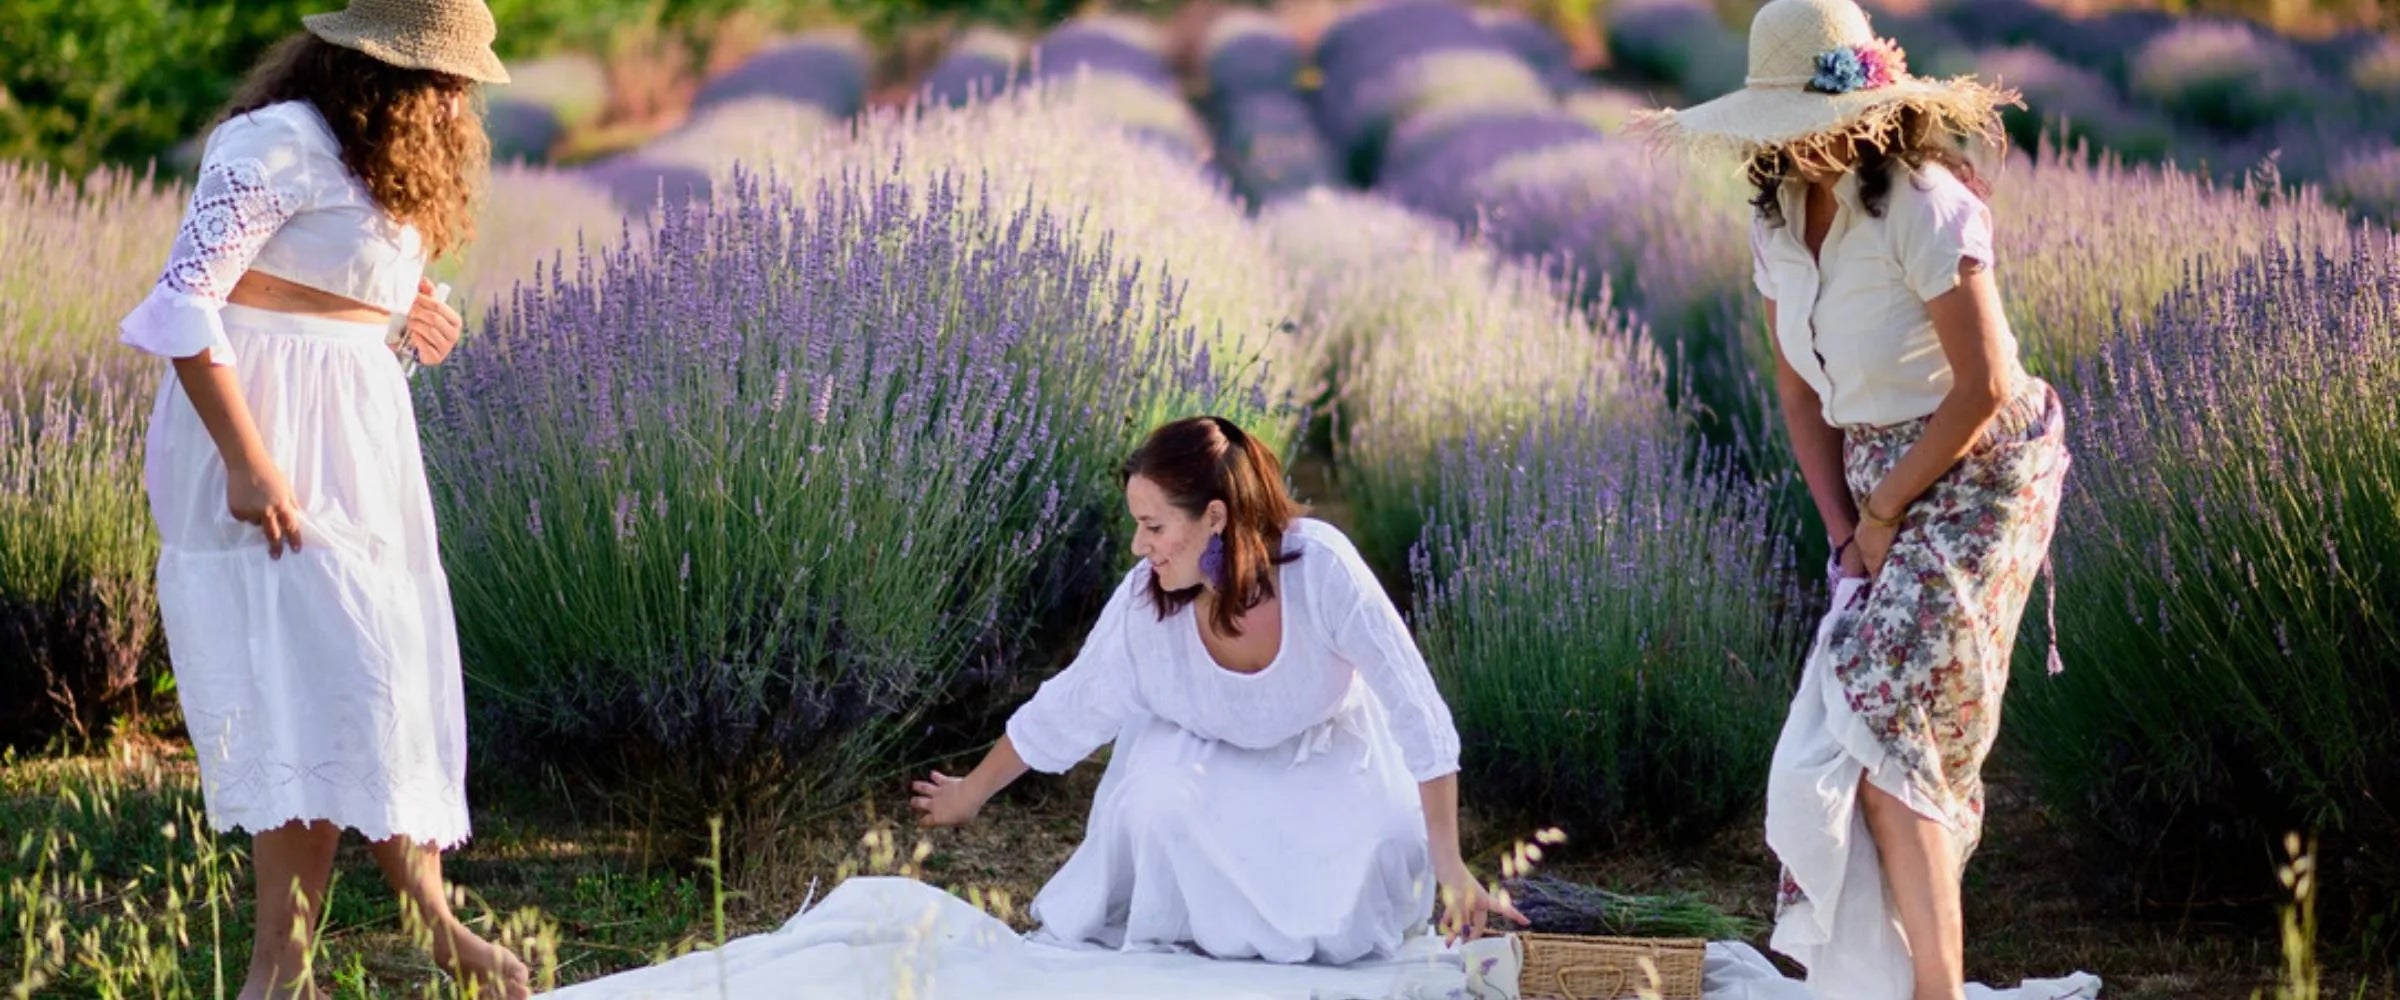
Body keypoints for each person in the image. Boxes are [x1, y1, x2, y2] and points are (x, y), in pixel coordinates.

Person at [1632, 2, 2070, 999]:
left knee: (1889, 728)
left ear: (1858, 107)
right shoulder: (1777, 216)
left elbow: (1986, 387)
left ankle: (1935, 988)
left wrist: (1882, 516)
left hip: (1982, 473)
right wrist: (1844, 530)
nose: (1783, 137)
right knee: (1859, 733)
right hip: (1881, 487)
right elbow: (1798, 390)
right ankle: (1909, 975)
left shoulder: (1922, 205)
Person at [117, 2, 529, 997]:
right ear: (372, 66)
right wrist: (247, 462)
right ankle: (415, 937)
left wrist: (406, 314)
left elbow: (325, 302)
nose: (457, 97)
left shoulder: (383, 159)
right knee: (341, 684)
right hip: (266, 452)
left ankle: (289, 975)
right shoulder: (278, 142)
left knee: (351, 694)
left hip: (358, 453)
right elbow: (187, 303)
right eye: (440, 77)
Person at [909, 415, 1526, 965]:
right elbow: (1071, 704)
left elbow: (1415, 707)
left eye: (1153, 526)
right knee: (1152, 807)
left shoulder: (1322, 571)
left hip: (1326, 761)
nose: (1137, 546)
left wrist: (1448, 861)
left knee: (1373, 870)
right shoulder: (1145, 607)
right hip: (1199, 760)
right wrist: (970, 792)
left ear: (1215, 517)